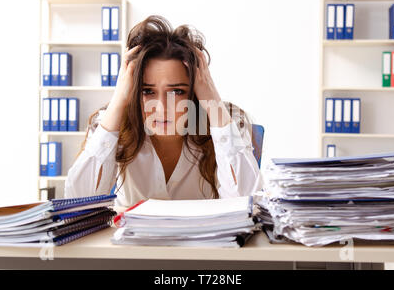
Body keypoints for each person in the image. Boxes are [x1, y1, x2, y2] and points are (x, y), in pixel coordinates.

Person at [64, 15, 263, 208]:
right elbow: (78, 204)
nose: (161, 108)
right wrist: (117, 103)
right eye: (147, 91)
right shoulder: (112, 122)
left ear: (195, 91)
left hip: (203, 241)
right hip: (134, 241)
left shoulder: (227, 121)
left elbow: (248, 203)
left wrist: (212, 102)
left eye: (177, 91)